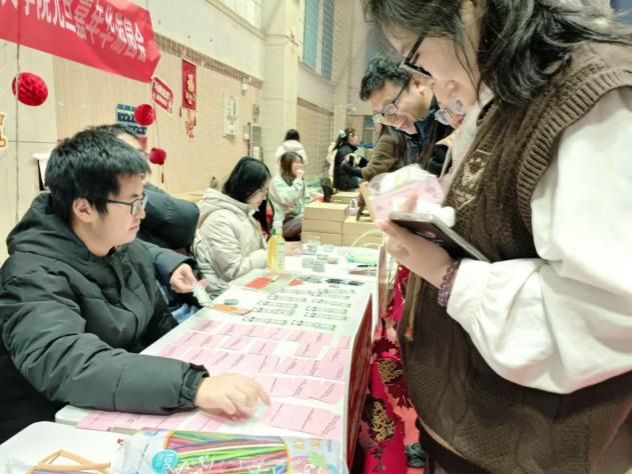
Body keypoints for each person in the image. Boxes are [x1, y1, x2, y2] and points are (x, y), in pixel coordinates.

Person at [364, 0, 632, 472]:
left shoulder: (588, 97)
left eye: (415, 55)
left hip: (529, 448)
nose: (426, 77)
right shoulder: (510, 92)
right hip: (471, 429)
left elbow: (607, 311)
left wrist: (446, 274)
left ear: (467, 9)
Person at [0, 129, 269, 442]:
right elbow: (64, 361)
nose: (142, 213)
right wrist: (192, 386)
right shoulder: (29, 274)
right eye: (132, 203)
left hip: (114, 407)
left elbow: (160, 329)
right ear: (84, 208)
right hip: (47, 429)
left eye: (143, 199)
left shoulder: (129, 250)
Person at [192, 157, 271, 298]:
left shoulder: (245, 213)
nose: (265, 197)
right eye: (262, 190)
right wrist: (270, 254)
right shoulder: (220, 221)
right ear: (247, 187)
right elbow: (233, 272)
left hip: (249, 286)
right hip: (228, 295)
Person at [268, 151, 311, 240]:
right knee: (307, 221)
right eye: (297, 162)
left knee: (314, 218)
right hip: (280, 225)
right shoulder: (277, 182)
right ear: (287, 164)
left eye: (301, 162)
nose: (300, 165)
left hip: (297, 220)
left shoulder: (299, 182)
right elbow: (288, 199)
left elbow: (307, 201)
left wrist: (304, 214)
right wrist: (299, 179)